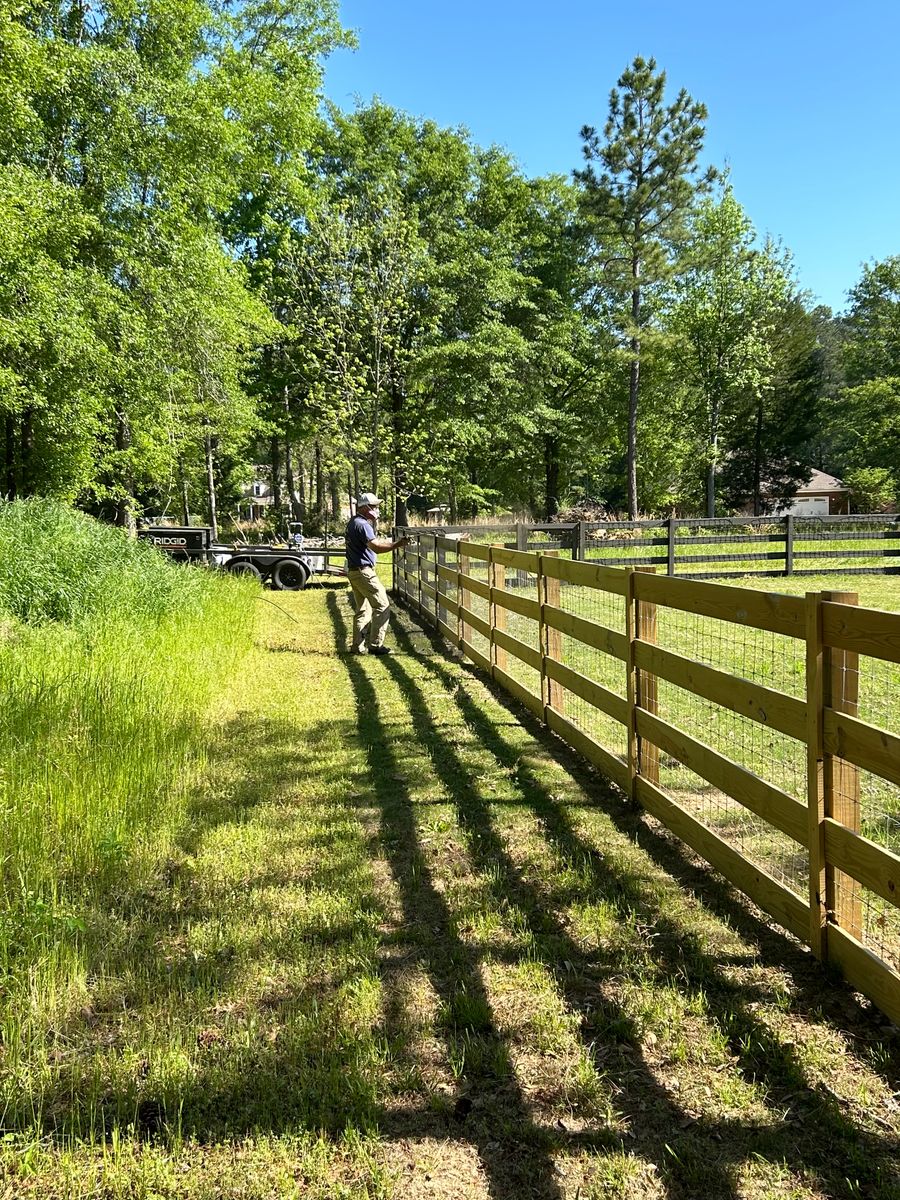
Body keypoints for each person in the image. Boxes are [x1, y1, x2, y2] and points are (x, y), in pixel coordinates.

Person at [345, 493, 408, 655]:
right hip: (363, 572)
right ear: (364, 508)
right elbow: (377, 547)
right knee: (382, 605)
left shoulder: (353, 523)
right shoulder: (363, 525)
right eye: (373, 507)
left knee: (363, 610)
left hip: (354, 571)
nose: (376, 510)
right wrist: (398, 544)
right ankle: (375, 645)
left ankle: (357, 647)